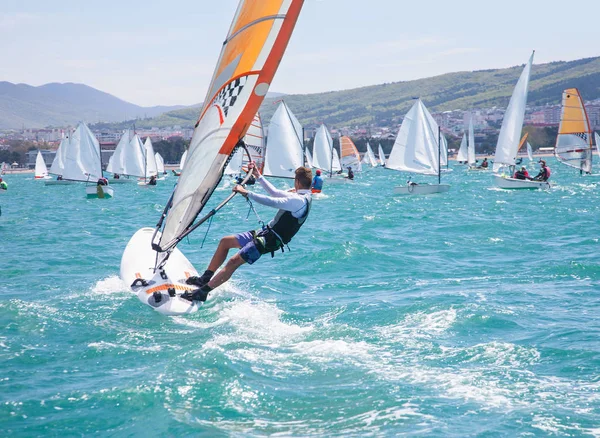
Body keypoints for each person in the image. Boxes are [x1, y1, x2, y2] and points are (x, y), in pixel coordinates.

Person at [182, 163, 313, 302]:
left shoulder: (298, 201)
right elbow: (274, 192)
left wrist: (247, 193)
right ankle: (205, 278)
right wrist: (258, 175)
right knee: (225, 242)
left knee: (233, 262)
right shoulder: (301, 197)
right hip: (264, 232)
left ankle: (203, 292)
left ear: (297, 181)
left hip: (269, 241)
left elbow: (273, 201)